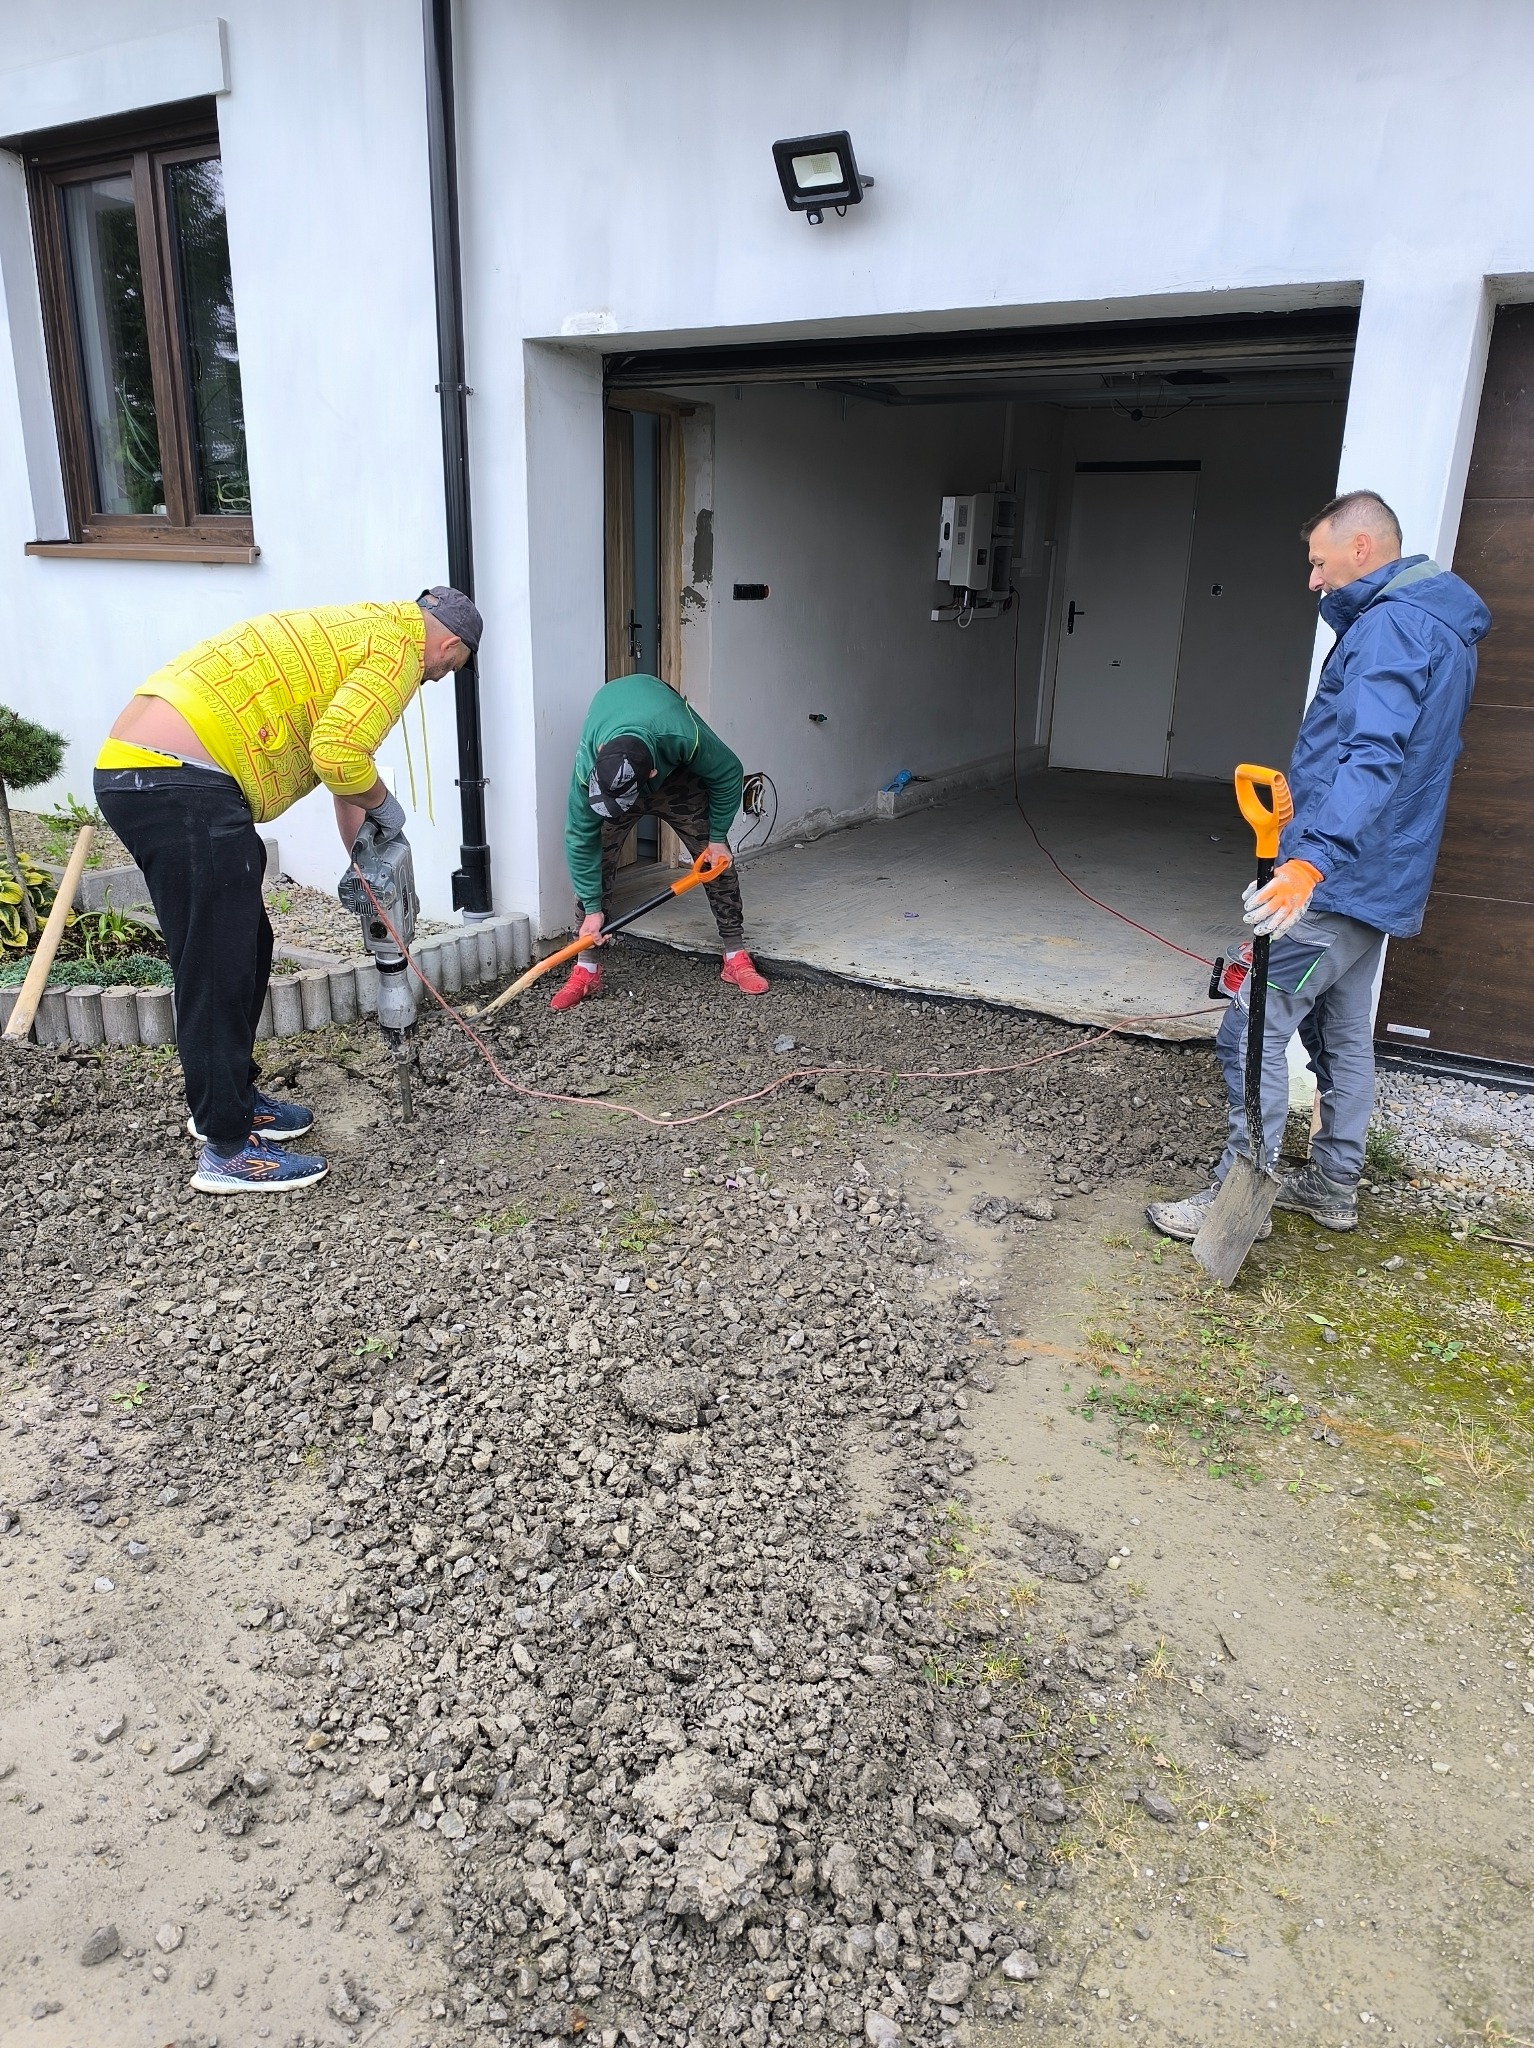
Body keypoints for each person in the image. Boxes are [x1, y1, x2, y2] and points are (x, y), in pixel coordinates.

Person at [1148, 490, 1488, 1242]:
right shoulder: (1438, 626)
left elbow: (1374, 757)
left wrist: (1312, 865)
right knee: (1341, 1031)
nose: (1312, 578)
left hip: (1344, 879)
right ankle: (1332, 1185)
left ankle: (1243, 1195)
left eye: (1318, 560)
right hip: (1379, 874)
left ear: (1361, 548)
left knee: (1253, 1022)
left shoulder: (1393, 626)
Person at [92, 589, 481, 1194]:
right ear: (450, 644)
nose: (435, 679)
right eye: (447, 670)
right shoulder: (400, 651)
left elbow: (342, 771)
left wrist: (365, 850)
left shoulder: (370, 631)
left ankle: (235, 1099)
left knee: (248, 943)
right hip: (172, 780)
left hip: (166, 773)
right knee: (217, 961)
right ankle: (225, 1147)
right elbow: (339, 754)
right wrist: (389, 809)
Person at [550, 671, 769, 1010]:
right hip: (622, 771)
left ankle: (735, 954)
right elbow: (580, 840)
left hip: (676, 776)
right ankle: (587, 969)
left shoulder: (682, 734)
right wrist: (593, 910)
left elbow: (728, 772)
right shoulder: (590, 766)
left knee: (714, 862)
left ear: (651, 775)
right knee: (597, 863)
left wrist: (717, 838)